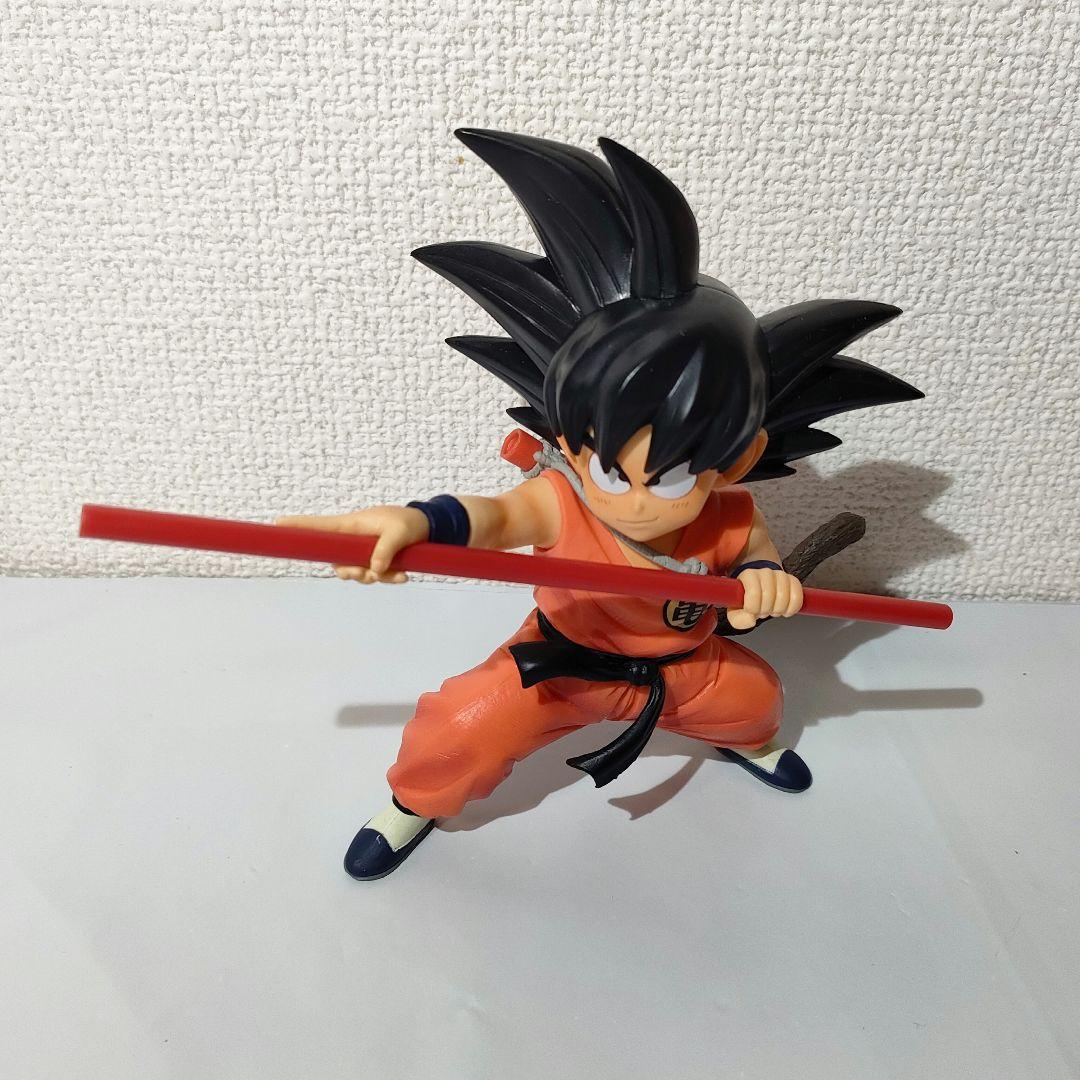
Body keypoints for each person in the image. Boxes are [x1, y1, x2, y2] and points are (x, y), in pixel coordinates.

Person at [280, 130, 923, 880]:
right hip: (558, 670)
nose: (641, 503)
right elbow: (493, 517)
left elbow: (755, 562)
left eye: (672, 478)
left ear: (736, 461)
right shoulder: (561, 498)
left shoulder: (732, 513)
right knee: (461, 729)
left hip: (685, 670)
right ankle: (413, 802)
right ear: (570, 444)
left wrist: (763, 585)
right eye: (615, 473)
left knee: (755, 700)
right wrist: (419, 522)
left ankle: (746, 742)